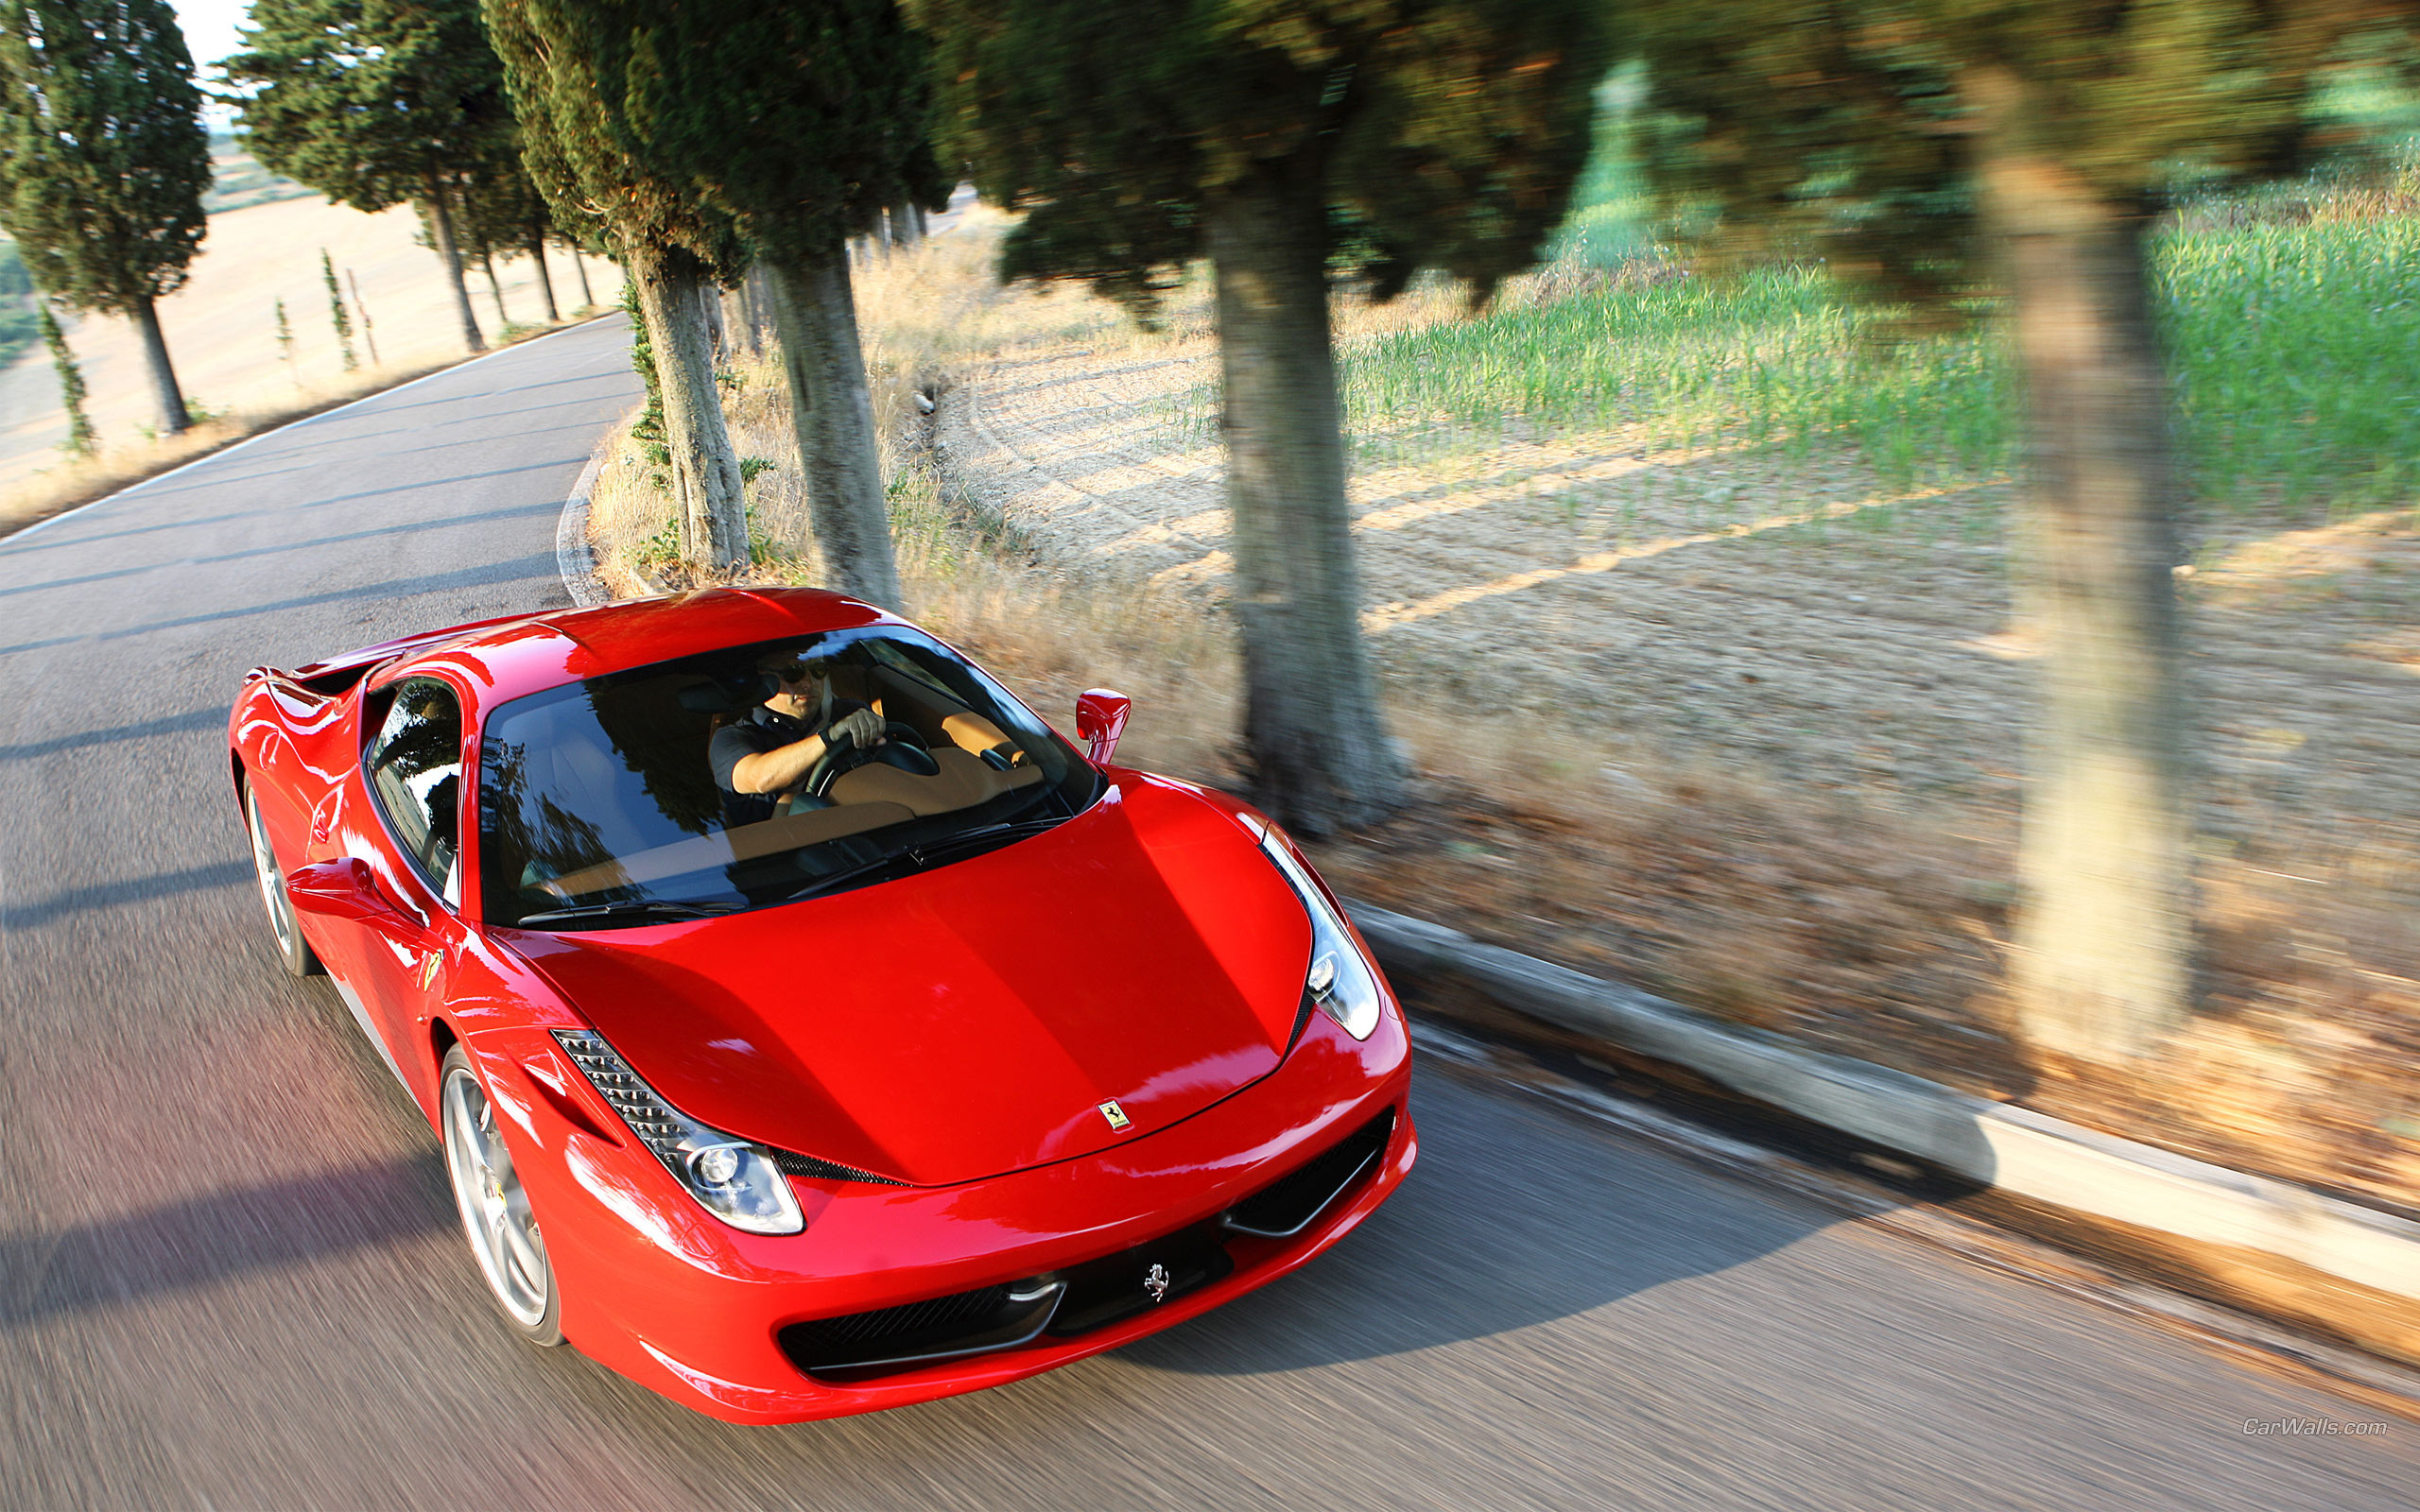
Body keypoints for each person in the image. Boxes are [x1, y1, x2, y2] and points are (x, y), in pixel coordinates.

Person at [707, 654, 886, 827]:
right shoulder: (729, 739)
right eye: (793, 673)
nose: (808, 683)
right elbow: (761, 778)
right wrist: (829, 737)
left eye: (818, 669)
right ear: (763, 678)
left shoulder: (850, 712)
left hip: (877, 827)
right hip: (783, 851)